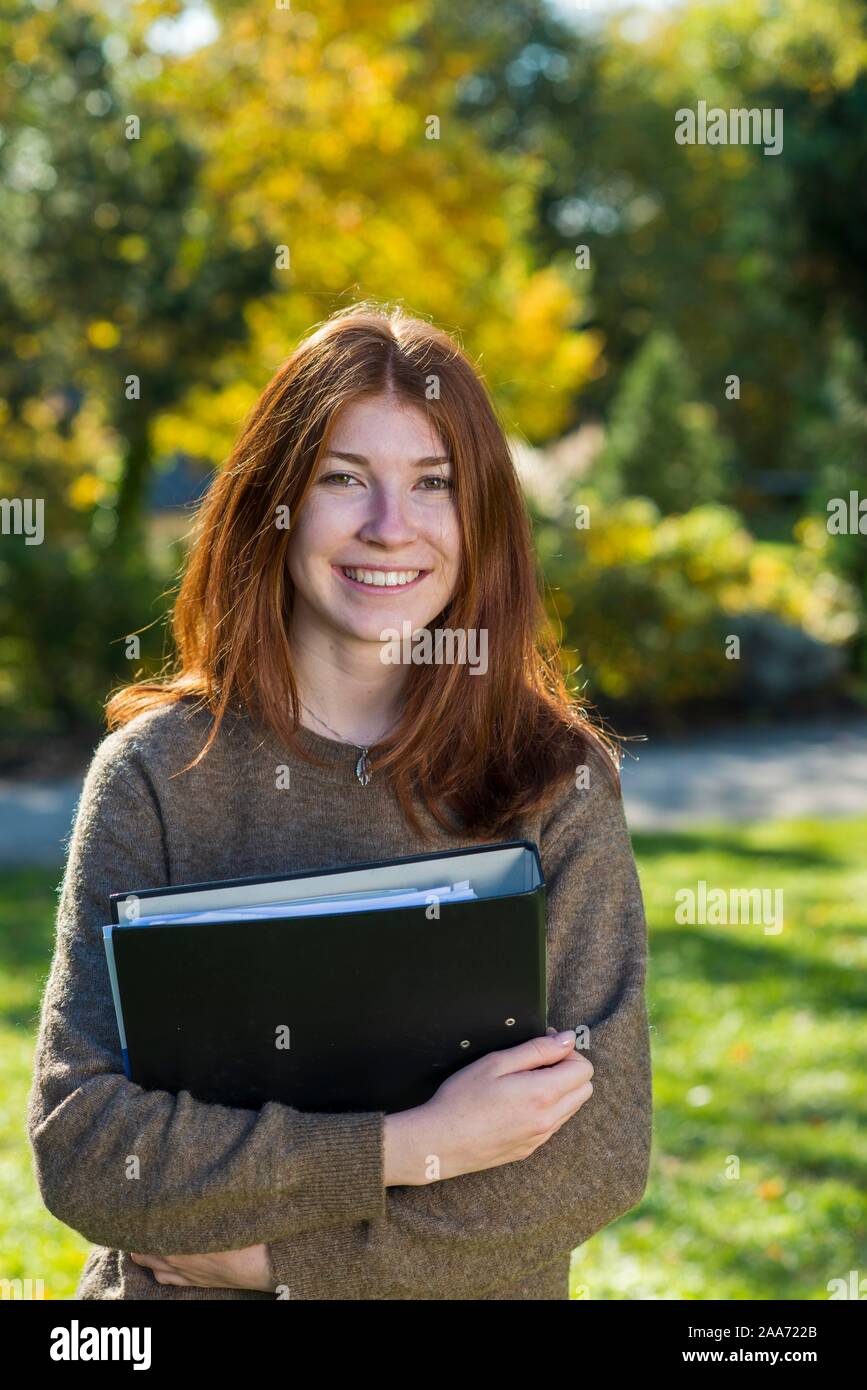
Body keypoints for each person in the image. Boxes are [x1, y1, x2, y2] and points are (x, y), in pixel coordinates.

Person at [27, 301, 652, 1301]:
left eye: (433, 484)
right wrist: (409, 1146)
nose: (389, 528)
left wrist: (278, 1265)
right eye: (343, 481)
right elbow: (89, 1147)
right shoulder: (155, 776)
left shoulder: (554, 779)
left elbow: (594, 1153)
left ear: (480, 515)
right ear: (275, 505)